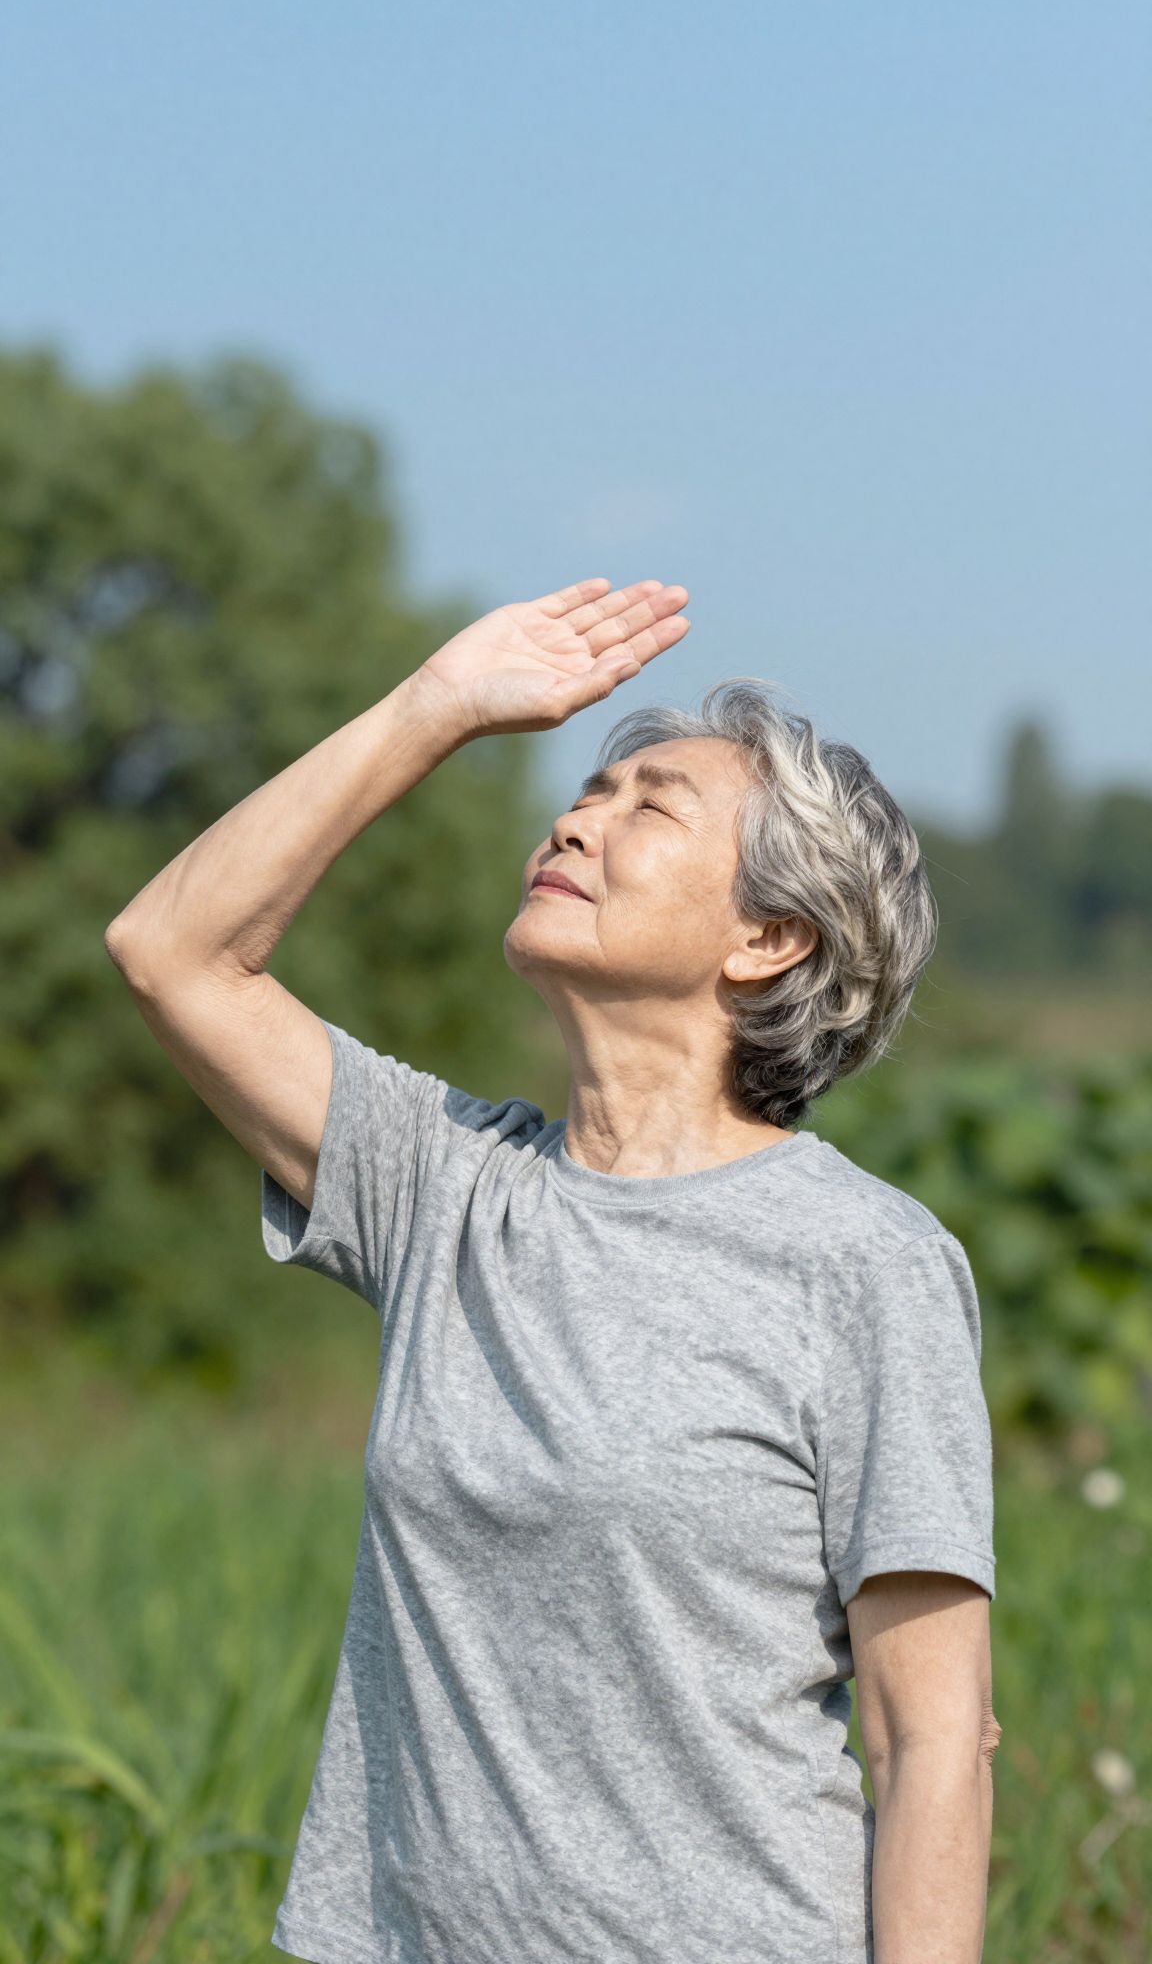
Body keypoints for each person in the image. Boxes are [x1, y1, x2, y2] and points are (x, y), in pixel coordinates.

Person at [105, 576, 1000, 1964]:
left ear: (768, 940)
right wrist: (437, 707)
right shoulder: (442, 1183)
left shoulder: (863, 1264)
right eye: (588, 788)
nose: (576, 818)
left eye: (652, 806)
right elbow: (172, 952)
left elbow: (929, 1734)